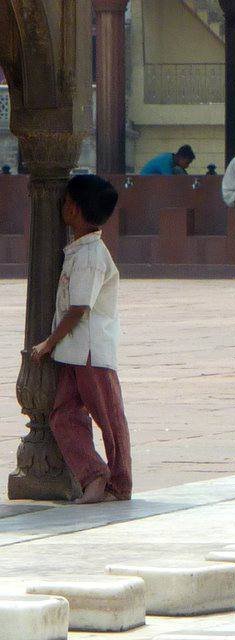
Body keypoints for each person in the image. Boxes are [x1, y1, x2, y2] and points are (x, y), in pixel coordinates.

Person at [30, 175, 131, 504]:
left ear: (72, 209)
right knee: (64, 416)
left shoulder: (90, 256)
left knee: (109, 417)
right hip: (73, 352)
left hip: (90, 350)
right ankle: (94, 475)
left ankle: (119, 483)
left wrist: (48, 342)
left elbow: (79, 309)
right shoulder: (79, 251)